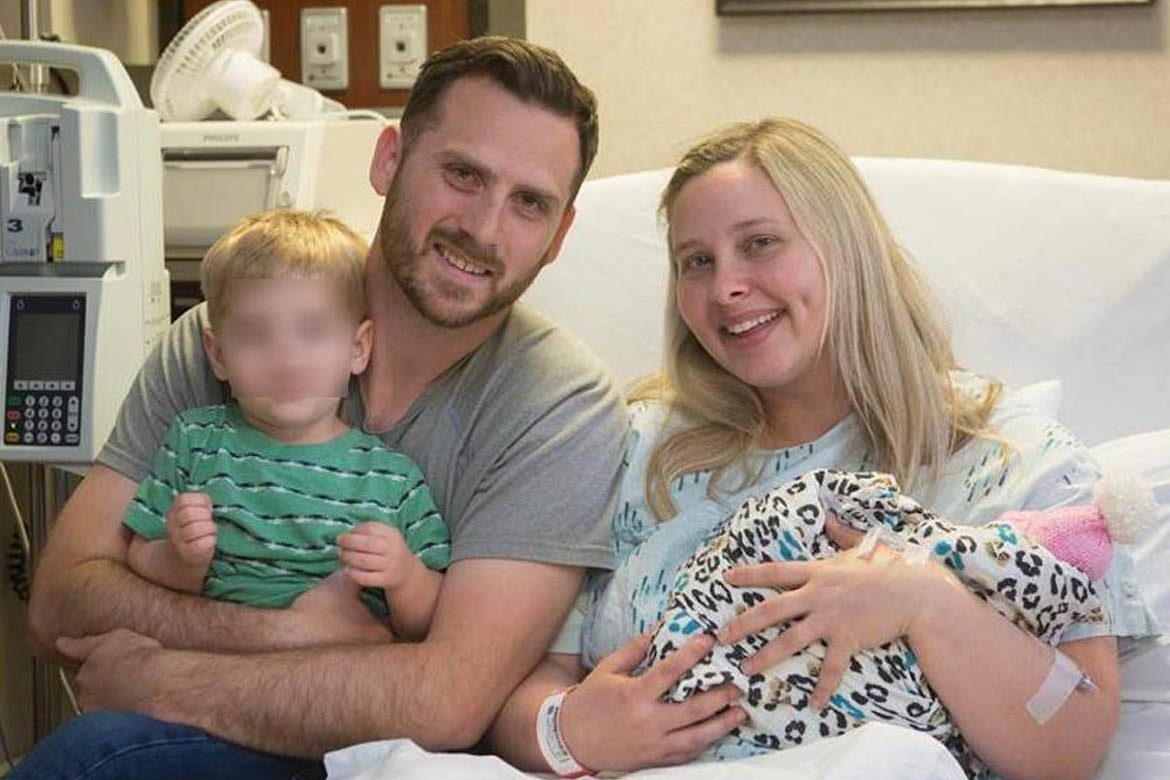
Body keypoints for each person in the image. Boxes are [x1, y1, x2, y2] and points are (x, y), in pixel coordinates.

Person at [17, 37, 625, 780]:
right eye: (463, 174)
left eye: (530, 203)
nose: (485, 228)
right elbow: (61, 604)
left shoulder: (559, 409)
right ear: (389, 160)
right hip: (201, 744)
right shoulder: (230, 340)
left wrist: (167, 677)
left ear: (560, 236)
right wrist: (287, 634)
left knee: (97, 754)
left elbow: (446, 702)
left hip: (393, 765)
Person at [488, 118, 1156, 780]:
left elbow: (1073, 746)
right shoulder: (639, 452)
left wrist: (923, 599)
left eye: (760, 243)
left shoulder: (1009, 462)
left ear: (846, 250)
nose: (725, 288)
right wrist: (571, 731)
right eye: (697, 262)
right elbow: (513, 695)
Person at [122, 209, 449, 638]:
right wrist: (181, 560)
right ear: (218, 354)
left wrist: (405, 577)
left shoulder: (393, 479)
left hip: (342, 669)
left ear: (357, 348)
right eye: (256, 334)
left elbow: (430, 622)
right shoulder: (193, 441)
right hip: (210, 655)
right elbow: (139, 554)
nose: (285, 356)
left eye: (312, 331)